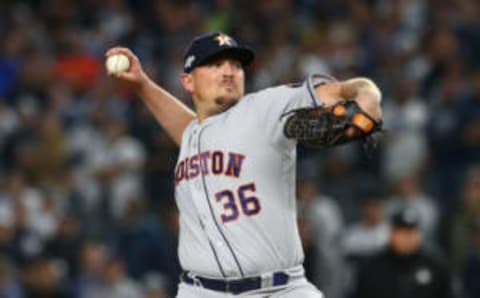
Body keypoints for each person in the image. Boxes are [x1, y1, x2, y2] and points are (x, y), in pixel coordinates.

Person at [106, 32, 382, 297]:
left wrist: (368, 97)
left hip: (279, 289)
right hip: (200, 290)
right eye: (215, 64)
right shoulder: (194, 134)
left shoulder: (266, 107)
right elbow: (189, 128)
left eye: (236, 65)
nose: (229, 71)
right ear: (188, 82)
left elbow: (351, 89)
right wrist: (142, 84)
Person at [353, 207, 456, 298]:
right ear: (391, 234)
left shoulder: (435, 265)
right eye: (402, 232)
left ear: (419, 235)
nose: (407, 238)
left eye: (411, 232)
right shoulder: (373, 267)